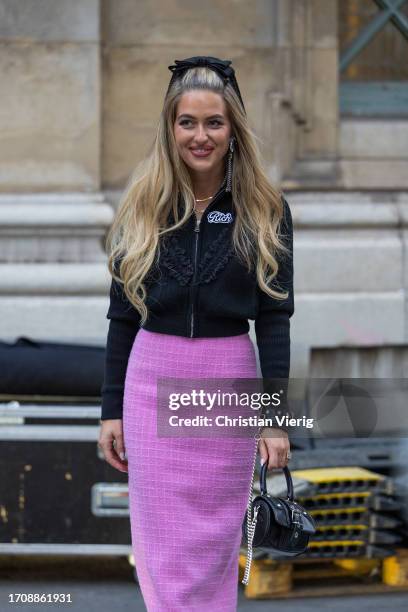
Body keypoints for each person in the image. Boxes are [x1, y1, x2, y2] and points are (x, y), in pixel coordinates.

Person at [98, 55, 294, 611]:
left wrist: (274, 419)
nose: (200, 136)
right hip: (150, 376)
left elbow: (275, 318)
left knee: (212, 543)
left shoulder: (265, 209)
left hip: (227, 377)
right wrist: (111, 409)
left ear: (233, 130)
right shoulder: (144, 205)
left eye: (214, 122)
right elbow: (121, 317)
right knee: (160, 546)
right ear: (170, 127)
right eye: (188, 122)